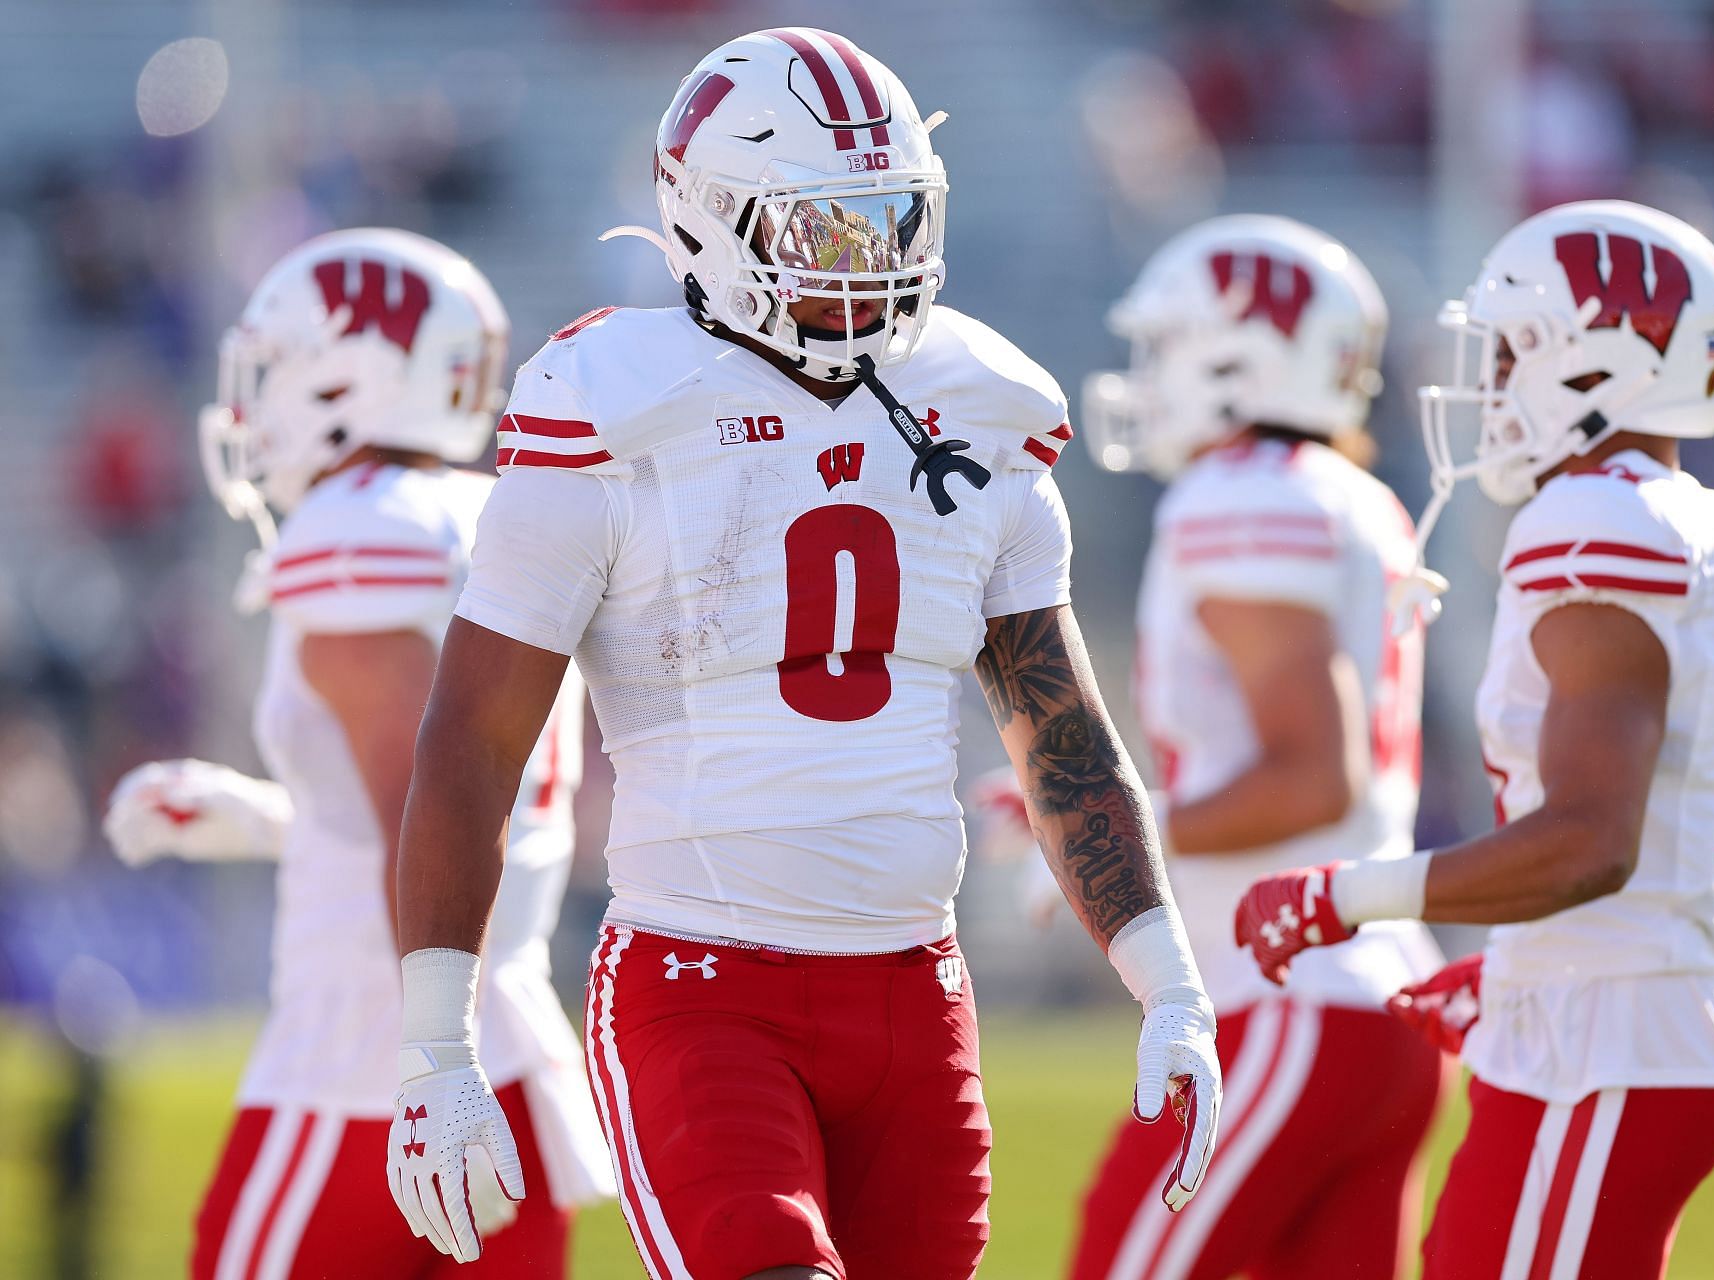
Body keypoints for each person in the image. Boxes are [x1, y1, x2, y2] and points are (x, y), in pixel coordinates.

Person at [378, 28, 1223, 1280]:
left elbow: (1059, 730)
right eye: (828, 229)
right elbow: (474, 738)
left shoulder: (977, 408)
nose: (872, 263)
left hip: (916, 993)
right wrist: (432, 1047)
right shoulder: (614, 402)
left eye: (890, 221)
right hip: (700, 983)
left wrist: (1169, 980)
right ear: (715, 225)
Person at [1234, 200, 1714, 1279]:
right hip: (1642, 1035)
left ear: (1595, 366)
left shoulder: (1594, 525)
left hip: (1608, 1050)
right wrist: (1520, 967)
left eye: (1508, 352)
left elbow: (1593, 841)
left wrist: (1347, 895)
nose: (1487, 383)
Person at [104, 228, 611, 1279]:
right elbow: (455, 798)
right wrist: (270, 816)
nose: (256, 405)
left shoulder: (353, 529)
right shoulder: (494, 514)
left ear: (349, 377)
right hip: (504, 1048)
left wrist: (428, 1053)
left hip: (374, 1061)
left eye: (279, 370)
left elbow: (417, 794)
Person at [1061, 215, 1445, 1278]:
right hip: (1369, 997)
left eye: (1170, 346)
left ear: (1241, 356)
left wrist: (1103, 840)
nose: (1150, 374)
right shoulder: (1347, 495)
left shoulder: (1241, 495)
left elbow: (1314, 777)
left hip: (1289, 999)